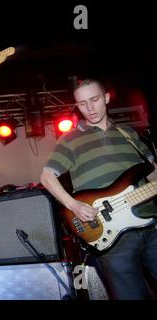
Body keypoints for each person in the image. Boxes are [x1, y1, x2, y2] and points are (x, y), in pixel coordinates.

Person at [40, 78, 157, 299]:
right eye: (82, 103)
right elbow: (47, 177)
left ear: (106, 98)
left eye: (94, 100)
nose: (89, 108)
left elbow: (152, 174)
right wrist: (74, 205)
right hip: (111, 235)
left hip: (151, 223)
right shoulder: (70, 140)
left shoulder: (129, 134)